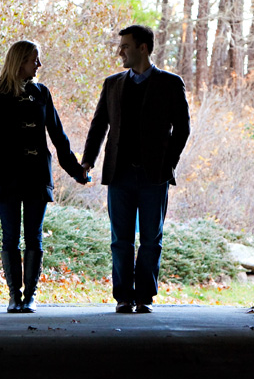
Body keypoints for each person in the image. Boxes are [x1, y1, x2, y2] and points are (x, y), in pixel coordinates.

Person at [81, 25, 190, 313]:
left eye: (126, 46)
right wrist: (87, 161)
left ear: (143, 48)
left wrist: (169, 163)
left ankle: (144, 297)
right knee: (121, 240)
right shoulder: (113, 84)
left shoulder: (170, 83)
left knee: (151, 239)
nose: (120, 52)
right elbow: (98, 125)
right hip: (119, 174)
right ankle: (123, 297)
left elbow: (183, 128)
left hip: (155, 176)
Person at [0, 40, 88, 313]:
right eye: (34, 59)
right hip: (7, 175)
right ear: (19, 62)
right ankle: (13, 296)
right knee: (10, 236)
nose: (38, 65)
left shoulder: (42, 92)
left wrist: (76, 170)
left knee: (34, 235)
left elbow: (58, 135)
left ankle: (30, 295)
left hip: (37, 173)